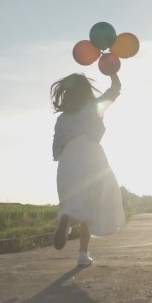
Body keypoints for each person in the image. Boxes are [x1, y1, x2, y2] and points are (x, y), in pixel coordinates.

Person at [50, 72, 126, 267]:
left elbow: (56, 145)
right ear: (86, 90)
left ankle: (66, 217)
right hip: (91, 154)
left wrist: (61, 155)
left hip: (68, 157)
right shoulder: (92, 107)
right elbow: (113, 93)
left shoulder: (62, 119)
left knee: (74, 201)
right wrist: (114, 75)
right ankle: (83, 254)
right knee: (91, 204)